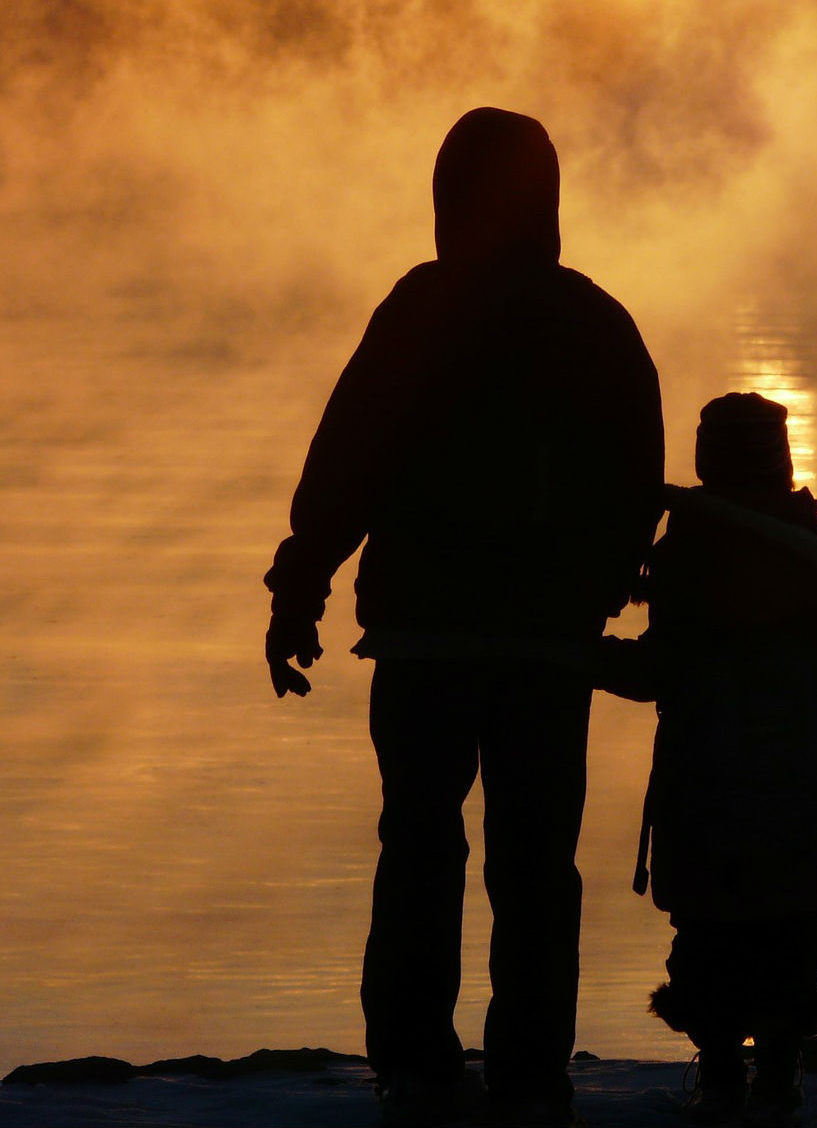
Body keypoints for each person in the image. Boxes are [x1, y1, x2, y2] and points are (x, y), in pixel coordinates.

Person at [263, 108, 665, 1128]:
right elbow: (635, 476)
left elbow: (349, 457)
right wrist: (602, 581)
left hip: (424, 636)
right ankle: (529, 1071)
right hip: (543, 646)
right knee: (535, 861)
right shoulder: (595, 320)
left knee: (419, 846)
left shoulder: (421, 307)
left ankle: (415, 1062)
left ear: (448, 198)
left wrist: (300, 588)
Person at [600, 393, 817, 1128]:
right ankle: (774, 1070)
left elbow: (658, 670)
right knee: (788, 928)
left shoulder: (684, 549)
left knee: (707, 928)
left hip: (701, 784)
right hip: (792, 789)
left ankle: (724, 1071)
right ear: (782, 456)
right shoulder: (807, 544)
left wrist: (573, 656)